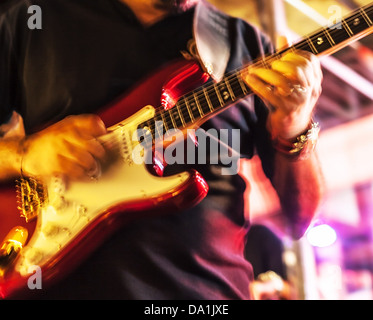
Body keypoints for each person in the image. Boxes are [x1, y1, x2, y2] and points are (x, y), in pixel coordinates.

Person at [0, 0, 324, 299]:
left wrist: (294, 127)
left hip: (207, 296)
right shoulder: (34, 20)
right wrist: (25, 155)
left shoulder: (247, 46)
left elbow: (299, 219)